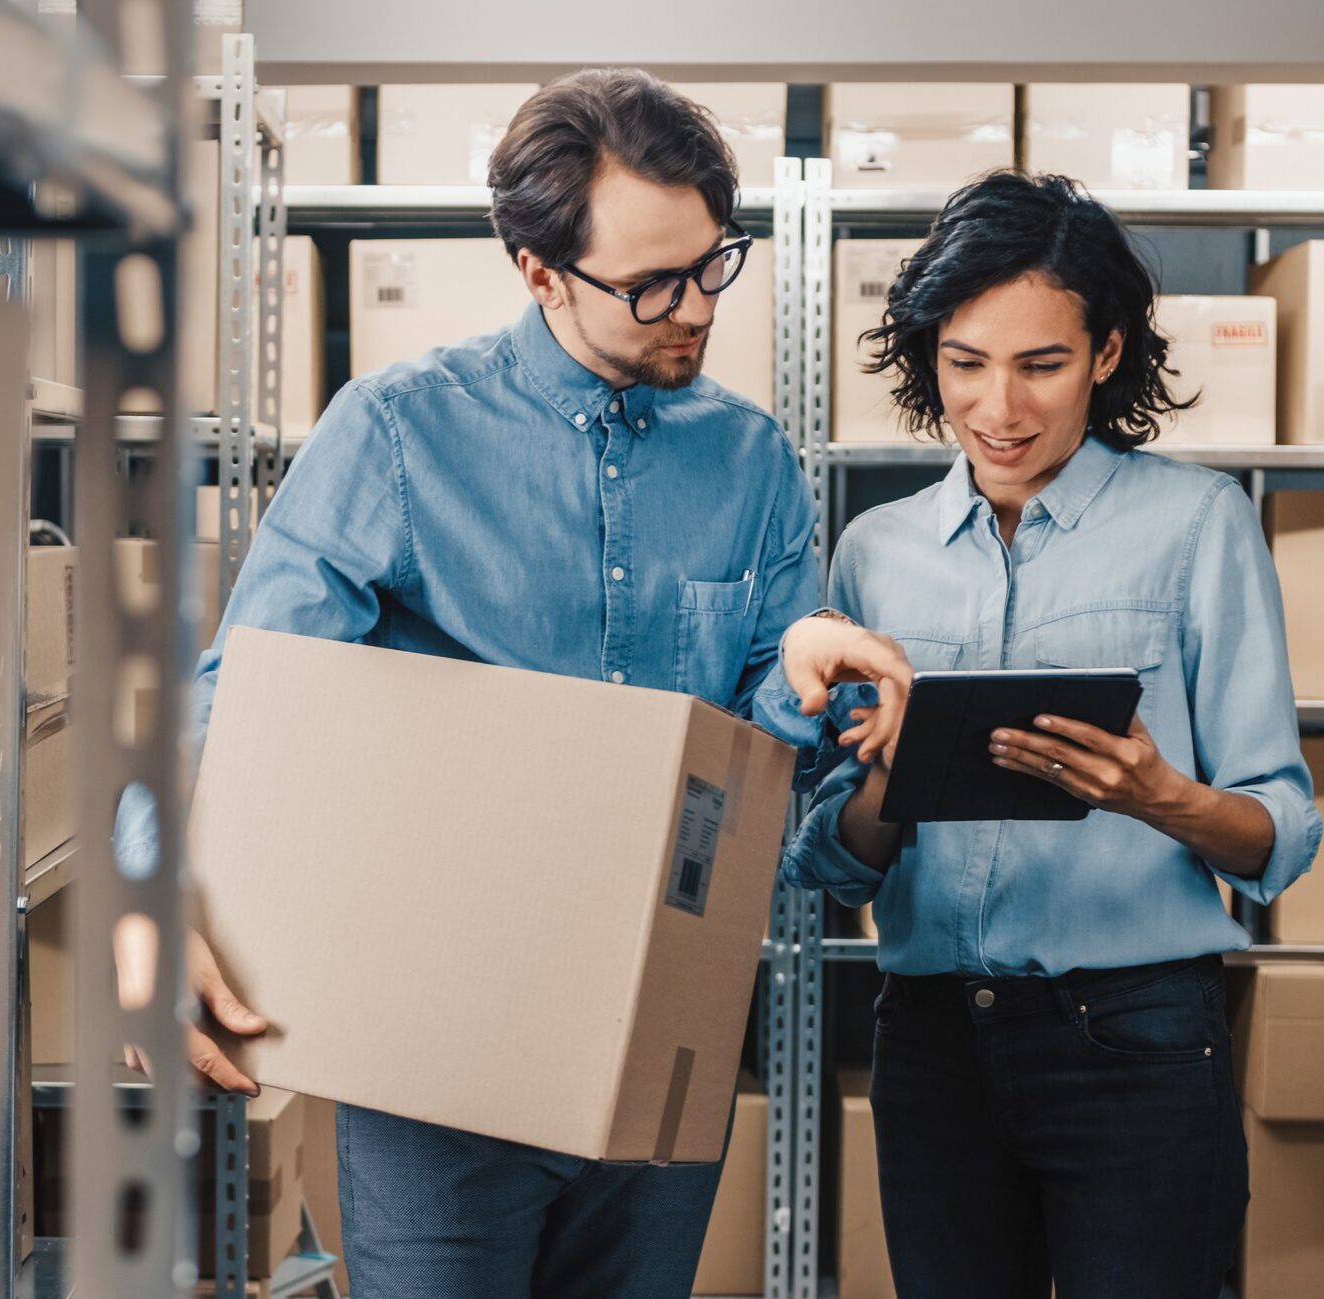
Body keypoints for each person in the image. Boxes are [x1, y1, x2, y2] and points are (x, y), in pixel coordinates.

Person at [118, 68, 911, 1298]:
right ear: (537, 270)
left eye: (712, 264)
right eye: (649, 284)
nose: (694, 308)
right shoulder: (394, 434)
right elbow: (241, 697)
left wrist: (800, 687)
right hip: (439, 1056)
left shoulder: (751, 462)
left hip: (662, 1038)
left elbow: (763, 770)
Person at [784, 171, 1322, 1299]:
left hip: (1134, 1039)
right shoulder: (875, 552)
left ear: (1109, 353)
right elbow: (833, 864)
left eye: (1042, 364)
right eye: (966, 363)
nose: (999, 410)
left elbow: (1278, 832)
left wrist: (1153, 794)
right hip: (931, 1044)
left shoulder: (1196, 525)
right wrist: (885, 774)